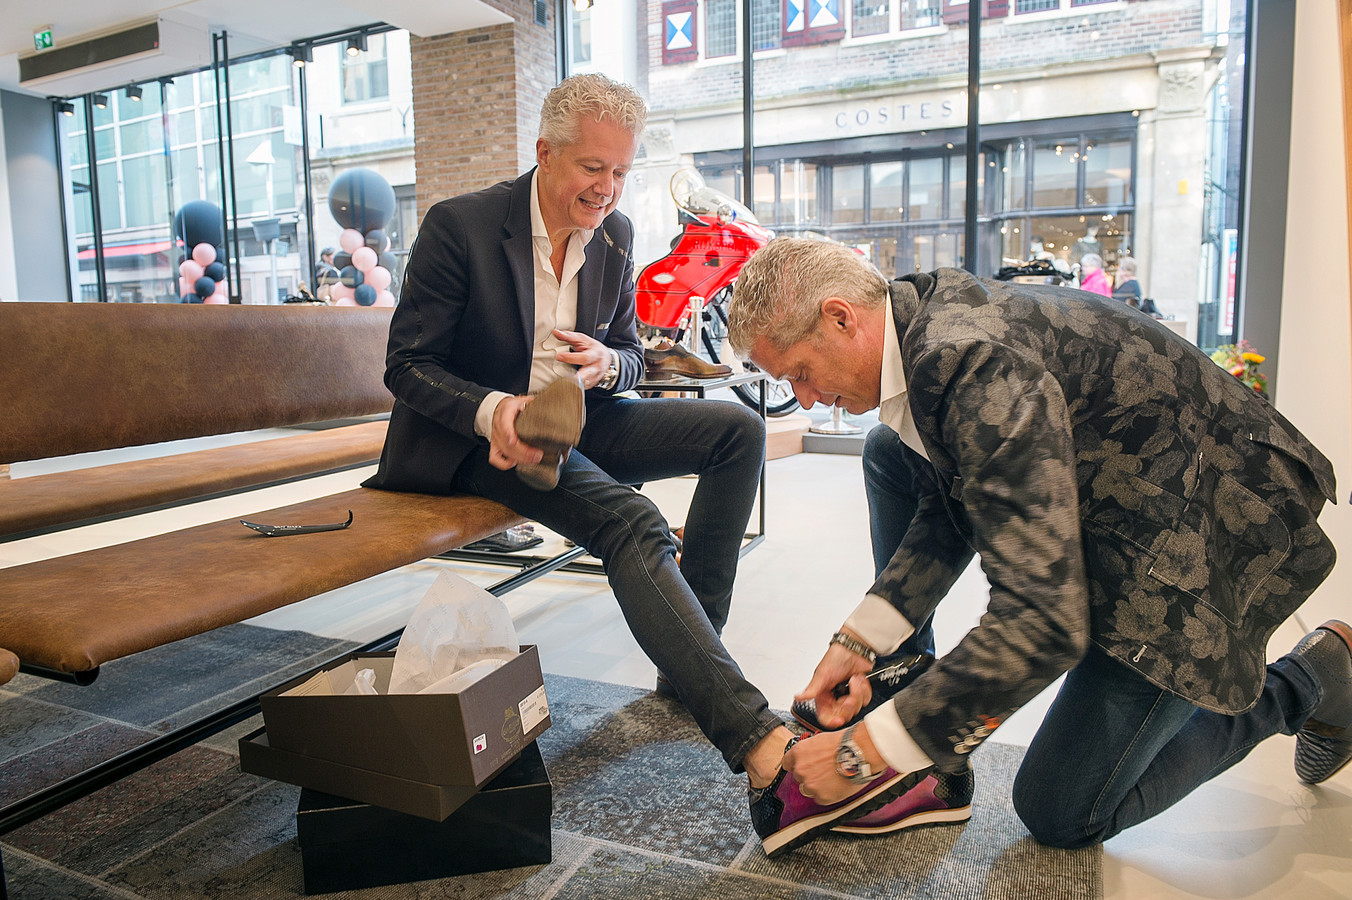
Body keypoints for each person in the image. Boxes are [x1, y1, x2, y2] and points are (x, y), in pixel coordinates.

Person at [363, 76, 919, 855]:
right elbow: (407, 367)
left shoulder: (616, 235)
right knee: (632, 519)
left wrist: (605, 365)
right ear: (544, 153)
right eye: (593, 167)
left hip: (579, 416)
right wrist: (498, 410)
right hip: (480, 437)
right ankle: (760, 747)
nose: (607, 188)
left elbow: (631, 354)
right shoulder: (460, 227)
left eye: (621, 172)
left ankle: (691, 664)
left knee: (735, 432)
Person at [727, 236, 1347, 852]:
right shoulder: (919, 318)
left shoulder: (969, 362)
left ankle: (1311, 677)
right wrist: (862, 642)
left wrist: (865, 755)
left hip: (1208, 534)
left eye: (801, 374)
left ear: (841, 317)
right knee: (891, 451)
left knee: (1060, 810)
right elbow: (956, 506)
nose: (803, 400)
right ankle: (917, 713)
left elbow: (1045, 619)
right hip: (1131, 502)